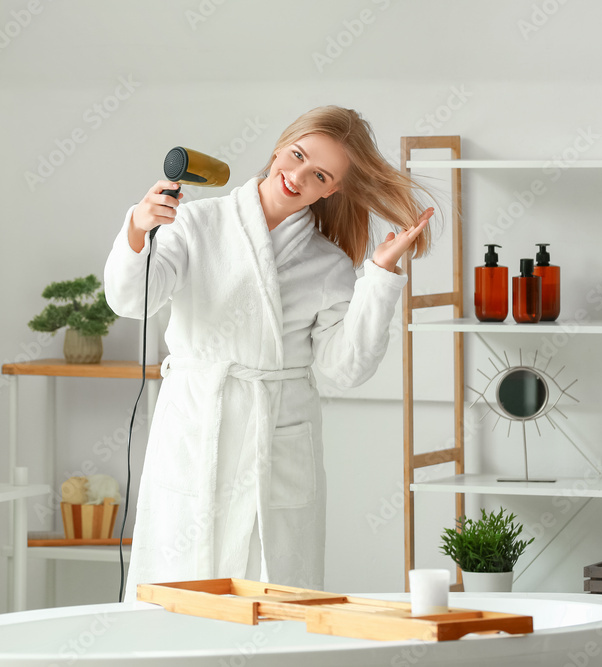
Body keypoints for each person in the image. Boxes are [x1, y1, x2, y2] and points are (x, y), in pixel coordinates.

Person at [103, 106, 433, 601]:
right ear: (280, 147)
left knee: (273, 590)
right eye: (296, 156)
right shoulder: (197, 222)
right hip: (197, 423)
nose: (297, 176)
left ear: (332, 189)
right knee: (178, 582)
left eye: (318, 174)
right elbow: (131, 300)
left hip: (278, 436)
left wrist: (380, 276)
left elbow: (343, 369)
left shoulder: (329, 264)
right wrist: (137, 227)